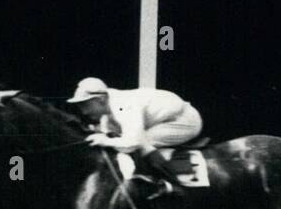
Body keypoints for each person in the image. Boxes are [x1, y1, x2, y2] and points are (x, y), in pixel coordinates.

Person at [67, 76, 203, 194]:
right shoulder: (108, 110)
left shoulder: (124, 105)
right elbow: (109, 133)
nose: (84, 112)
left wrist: (104, 141)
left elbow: (131, 143)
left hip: (185, 121)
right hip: (164, 120)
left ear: (101, 99)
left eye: (85, 105)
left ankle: (173, 186)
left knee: (142, 143)